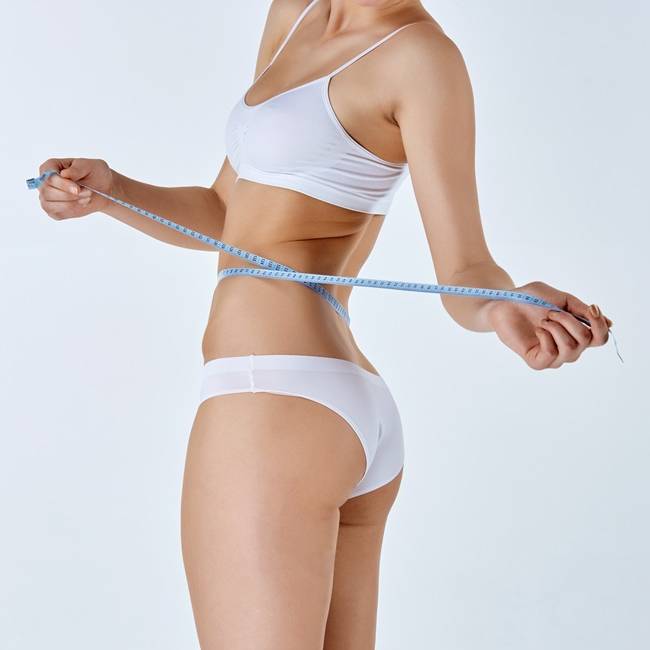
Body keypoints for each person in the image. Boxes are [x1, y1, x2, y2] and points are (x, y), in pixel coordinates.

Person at [33, 1, 612, 648]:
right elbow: (228, 211)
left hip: (273, 399)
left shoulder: (419, 56)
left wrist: (503, 304)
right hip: (315, 400)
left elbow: (466, 270)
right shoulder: (297, 11)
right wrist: (112, 191)